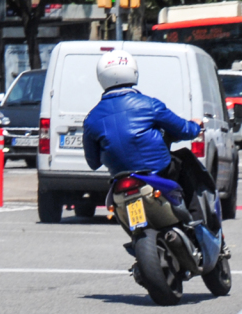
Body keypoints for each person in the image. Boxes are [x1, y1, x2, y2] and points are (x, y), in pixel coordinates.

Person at [83, 50, 214, 223]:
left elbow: (93, 162)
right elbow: (184, 130)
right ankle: (198, 224)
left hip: (120, 181)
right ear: (133, 71)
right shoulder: (149, 105)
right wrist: (196, 125)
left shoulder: (91, 119)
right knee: (184, 164)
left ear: (101, 77)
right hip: (159, 173)